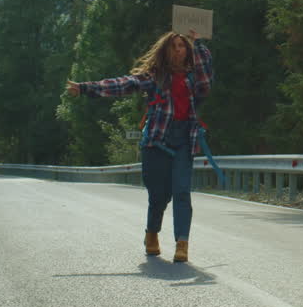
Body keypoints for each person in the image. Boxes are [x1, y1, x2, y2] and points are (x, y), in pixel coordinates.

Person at [66, 29, 213, 263]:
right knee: (159, 195)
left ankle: (182, 243)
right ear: (166, 50)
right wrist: (86, 88)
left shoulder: (193, 78)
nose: (178, 50)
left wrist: (199, 45)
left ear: (188, 51)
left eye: (182, 46)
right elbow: (124, 83)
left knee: (182, 192)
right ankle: (152, 233)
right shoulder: (154, 77)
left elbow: (206, 81)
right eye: (174, 46)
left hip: (185, 140)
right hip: (157, 141)